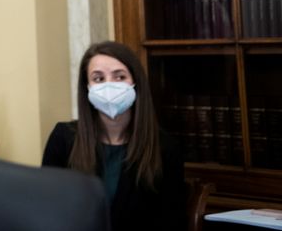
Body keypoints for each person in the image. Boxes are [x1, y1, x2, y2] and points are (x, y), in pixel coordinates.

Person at [42, 41, 185, 231]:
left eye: (119, 77)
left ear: (135, 83)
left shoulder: (165, 148)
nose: (109, 85)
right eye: (98, 79)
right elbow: (46, 210)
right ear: (87, 88)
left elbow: (170, 221)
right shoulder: (63, 138)